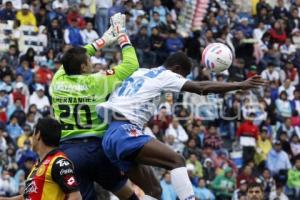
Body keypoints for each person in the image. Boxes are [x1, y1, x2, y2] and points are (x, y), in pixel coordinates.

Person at [97, 51, 265, 199]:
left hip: (109, 136)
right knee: (177, 160)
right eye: (183, 76)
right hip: (125, 131)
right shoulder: (167, 76)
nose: (182, 81)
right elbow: (201, 88)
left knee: (154, 191)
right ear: (176, 69)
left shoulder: (140, 72)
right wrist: (239, 85)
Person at [50, 13, 141, 200]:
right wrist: (121, 34)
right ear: (83, 67)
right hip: (98, 149)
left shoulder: (57, 80)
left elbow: (75, 56)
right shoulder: (98, 80)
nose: (92, 63)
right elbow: (132, 64)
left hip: (69, 153)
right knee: (126, 194)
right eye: (89, 62)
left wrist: (103, 40)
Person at [0, 117, 82, 200]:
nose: (31, 138)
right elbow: (27, 197)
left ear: (38, 134)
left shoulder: (59, 162)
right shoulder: (39, 163)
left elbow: (76, 197)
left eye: (32, 134)